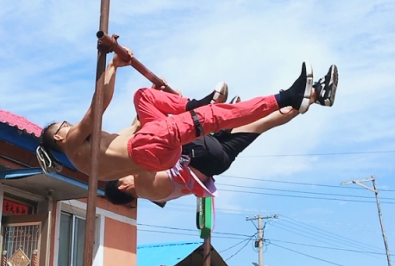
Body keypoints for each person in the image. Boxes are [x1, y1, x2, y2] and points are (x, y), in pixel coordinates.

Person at [39, 58, 314, 182]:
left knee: (143, 97)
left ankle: (197, 104)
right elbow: (97, 106)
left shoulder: (92, 158)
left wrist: (162, 100)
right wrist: (112, 66)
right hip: (148, 147)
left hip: (153, 154)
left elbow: (135, 127)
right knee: (215, 117)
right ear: (60, 137)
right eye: (64, 126)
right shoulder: (73, 145)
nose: (70, 125)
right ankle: (286, 97)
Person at [103, 64, 338, 206]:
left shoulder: (152, 192)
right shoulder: (145, 190)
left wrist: (160, 102)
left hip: (213, 160)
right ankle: (203, 108)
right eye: (120, 176)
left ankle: (316, 95)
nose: (122, 172)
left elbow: (142, 131)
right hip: (199, 154)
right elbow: (145, 144)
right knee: (217, 118)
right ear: (123, 187)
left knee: (260, 124)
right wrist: (162, 106)